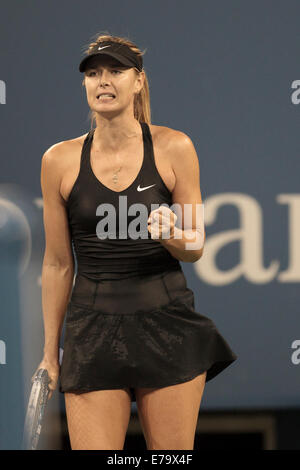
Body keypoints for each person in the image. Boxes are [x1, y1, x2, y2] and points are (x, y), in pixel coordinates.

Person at [34, 33, 237, 450]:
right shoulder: (57, 161)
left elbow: (195, 245)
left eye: (115, 71)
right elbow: (57, 265)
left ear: (138, 82)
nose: (102, 81)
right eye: (93, 74)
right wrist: (48, 354)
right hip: (90, 334)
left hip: (166, 327)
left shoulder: (175, 147)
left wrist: (172, 235)